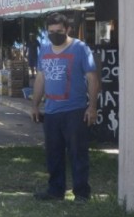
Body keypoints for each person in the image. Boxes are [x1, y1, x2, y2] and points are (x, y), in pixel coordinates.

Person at [30, 12, 100, 203]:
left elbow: (92, 78)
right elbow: (41, 78)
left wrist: (92, 107)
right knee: (53, 154)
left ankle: (82, 193)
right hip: (51, 112)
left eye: (59, 31)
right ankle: (55, 191)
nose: (55, 35)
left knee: (78, 153)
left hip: (75, 111)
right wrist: (35, 105)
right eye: (51, 31)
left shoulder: (80, 49)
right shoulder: (44, 49)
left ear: (68, 29)